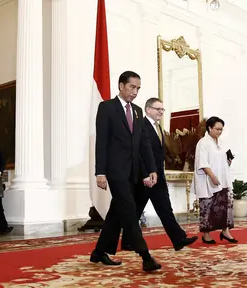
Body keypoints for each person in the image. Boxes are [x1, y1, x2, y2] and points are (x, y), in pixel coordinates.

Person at [90, 71, 162, 272]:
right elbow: (101, 142)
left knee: (116, 213)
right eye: (132, 87)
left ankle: (99, 252)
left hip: (135, 171)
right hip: (115, 171)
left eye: (138, 88)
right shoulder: (107, 108)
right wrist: (100, 172)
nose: (135, 92)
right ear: (121, 85)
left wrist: (151, 169)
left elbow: (144, 144)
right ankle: (145, 256)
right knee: (129, 212)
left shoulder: (138, 111)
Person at [121, 98, 198, 251]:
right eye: (158, 109)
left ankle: (178, 239)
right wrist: (146, 174)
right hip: (145, 177)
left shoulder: (158, 128)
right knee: (136, 210)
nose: (161, 112)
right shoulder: (141, 126)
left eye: (162, 110)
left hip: (157, 176)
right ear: (148, 109)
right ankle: (127, 242)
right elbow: (139, 154)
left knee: (165, 209)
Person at [193, 116, 238, 244]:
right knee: (208, 206)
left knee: (225, 205)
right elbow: (202, 162)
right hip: (208, 179)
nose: (219, 132)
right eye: (217, 129)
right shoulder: (203, 143)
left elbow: (222, 160)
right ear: (209, 128)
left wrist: (228, 161)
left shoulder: (222, 143)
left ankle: (225, 231)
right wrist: (212, 176)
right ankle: (206, 234)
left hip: (223, 178)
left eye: (221, 129)